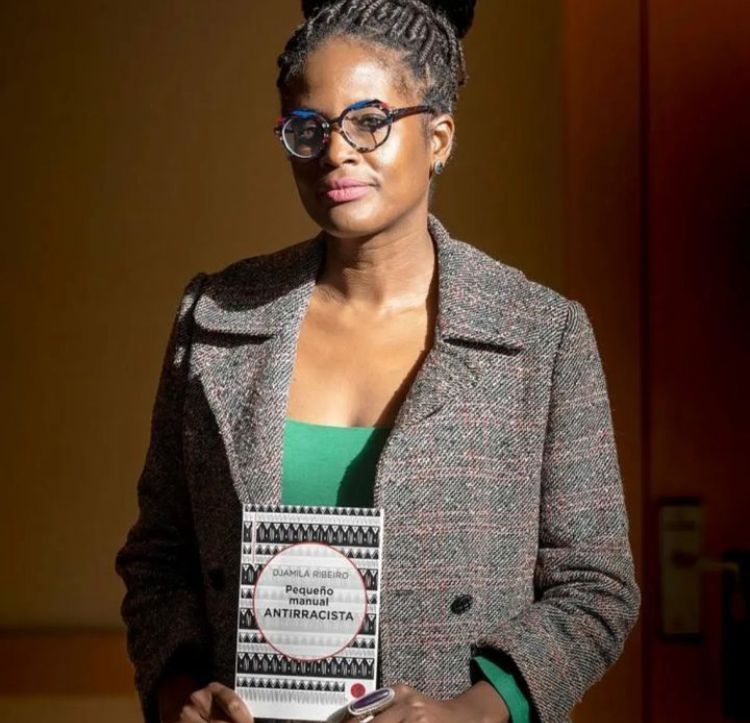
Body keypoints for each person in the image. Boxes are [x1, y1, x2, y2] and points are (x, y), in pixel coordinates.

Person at [114, 2, 641, 723]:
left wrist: (471, 712)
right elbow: (158, 558)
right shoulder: (216, 317)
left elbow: (595, 588)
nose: (335, 151)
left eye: (369, 122)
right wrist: (180, 690)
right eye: (309, 128)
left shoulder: (540, 336)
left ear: (438, 137)